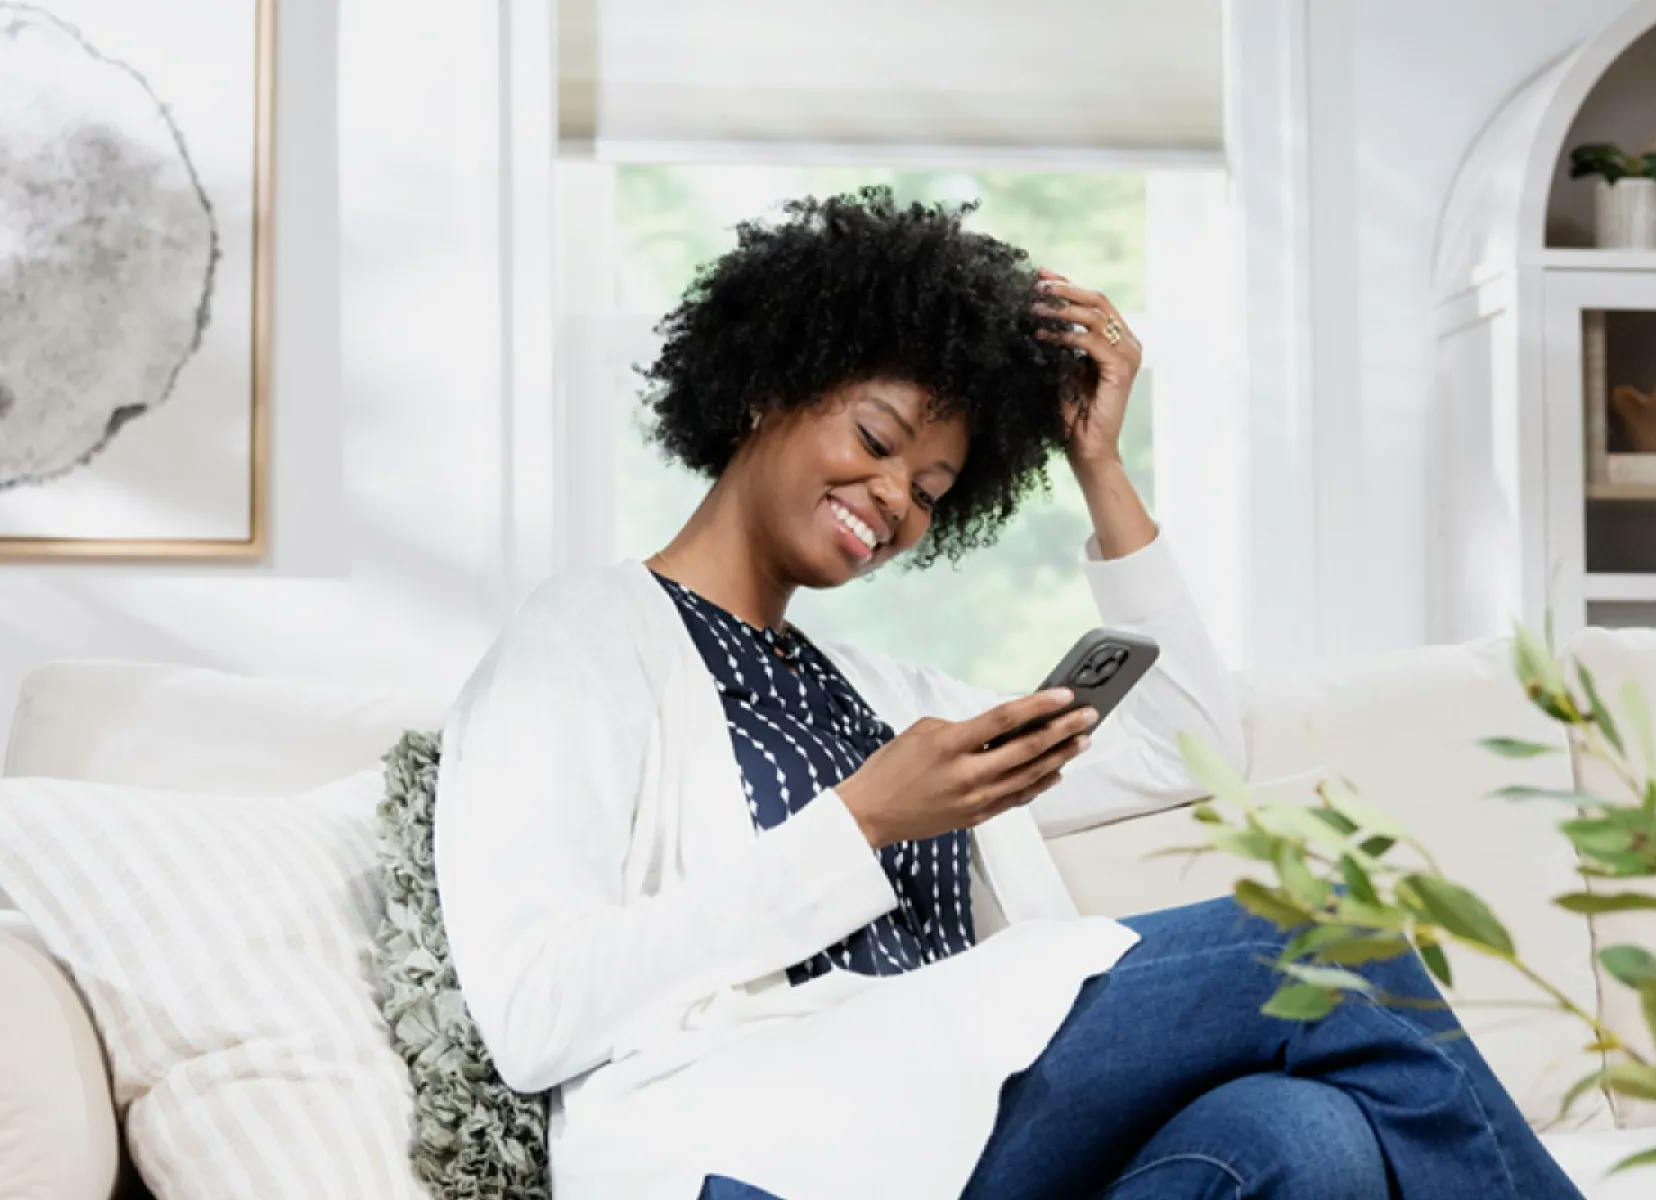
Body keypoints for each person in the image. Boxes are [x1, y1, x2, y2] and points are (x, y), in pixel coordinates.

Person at [432, 187, 1584, 1200]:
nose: (894, 497)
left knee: (1302, 1136)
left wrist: (1098, 460)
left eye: (931, 488)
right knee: (1320, 936)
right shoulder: (582, 638)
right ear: (768, 388)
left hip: (959, 1127)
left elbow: (1189, 745)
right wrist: (865, 820)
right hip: (766, 1145)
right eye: (875, 438)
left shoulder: (883, 696)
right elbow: (536, 1012)